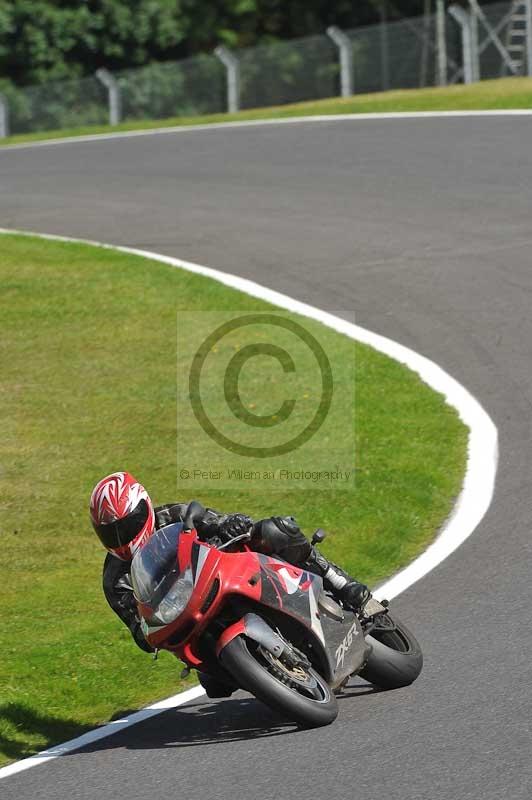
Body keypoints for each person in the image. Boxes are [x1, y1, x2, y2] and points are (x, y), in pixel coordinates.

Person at [90, 471, 371, 695]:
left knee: (275, 531)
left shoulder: (173, 515)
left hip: (223, 576)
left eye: (128, 524)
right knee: (215, 686)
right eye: (110, 533)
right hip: (188, 620)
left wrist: (232, 524)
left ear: (144, 506)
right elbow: (140, 632)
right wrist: (144, 630)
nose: (121, 537)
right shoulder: (115, 580)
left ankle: (339, 582)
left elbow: (222, 521)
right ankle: (268, 675)